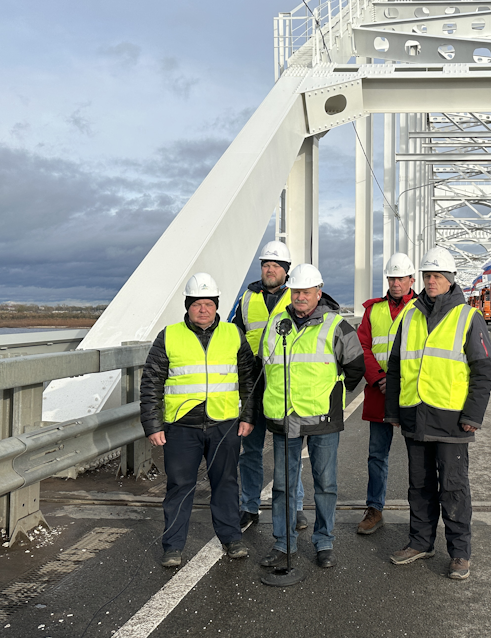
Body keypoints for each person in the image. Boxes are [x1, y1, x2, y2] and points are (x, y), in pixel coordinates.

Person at [385, 247, 491, 580]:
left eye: (437, 276)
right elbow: (395, 368)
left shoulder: (468, 317)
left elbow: (483, 371)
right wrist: (393, 411)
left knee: (453, 488)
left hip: (451, 420)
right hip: (415, 415)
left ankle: (459, 553)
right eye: (427, 276)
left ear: (450, 280)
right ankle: (421, 542)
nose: (430, 281)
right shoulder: (410, 316)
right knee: (419, 486)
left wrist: (472, 416)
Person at [140, 273, 255, 568]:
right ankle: (173, 546)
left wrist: (248, 416)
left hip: (224, 424)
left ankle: (232, 539)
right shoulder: (169, 336)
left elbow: (248, 379)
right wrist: (153, 425)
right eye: (196, 304)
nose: (203, 309)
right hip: (181, 427)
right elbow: (151, 382)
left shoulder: (233, 334)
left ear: (216, 306)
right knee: (179, 486)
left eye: (208, 304)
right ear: (187, 306)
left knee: (226, 483)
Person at [258, 263, 364, 569]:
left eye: (306, 292)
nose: (300, 297)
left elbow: (355, 367)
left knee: (325, 484)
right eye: (296, 292)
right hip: (284, 416)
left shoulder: (336, 326)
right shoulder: (276, 324)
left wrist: (333, 395)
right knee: (283, 485)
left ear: (319, 292)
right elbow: (263, 367)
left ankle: (324, 542)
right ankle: (284, 543)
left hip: (322, 418)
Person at [232, 240, 306, 532]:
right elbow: (233, 336)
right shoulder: (246, 299)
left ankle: (295, 507)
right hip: (253, 384)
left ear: (286, 270)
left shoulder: (297, 296)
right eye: (266, 265)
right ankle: (249, 506)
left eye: (276, 265)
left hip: (285, 384)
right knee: (250, 449)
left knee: (288, 450)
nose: (270, 269)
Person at [354, 252, 417, 535]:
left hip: (411, 392)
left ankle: (421, 515)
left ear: (411, 280)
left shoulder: (421, 308)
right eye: (392, 278)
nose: (395, 283)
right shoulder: (373, 310)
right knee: (377, 455)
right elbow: (362, 347)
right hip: (380, 391)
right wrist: (380, 378)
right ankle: (374, 509)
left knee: (419, 458)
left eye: (401, 278)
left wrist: (397, 380)